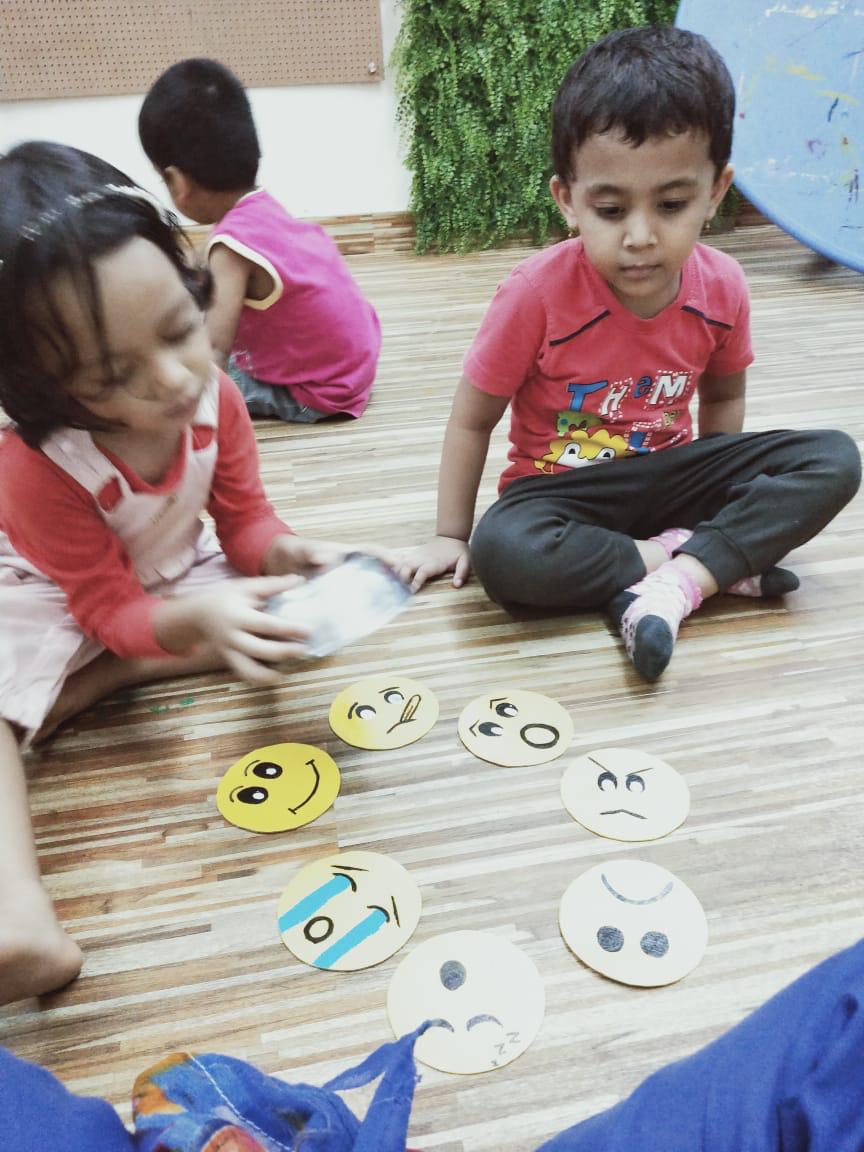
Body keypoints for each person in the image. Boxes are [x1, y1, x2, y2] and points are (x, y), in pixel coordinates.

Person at [0, 141, 357, 1004]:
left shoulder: (215, 397)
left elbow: (245, 524)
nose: (171, 379)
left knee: (294, 617)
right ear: (47, 390)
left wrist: (288, 555)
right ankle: (19, 915)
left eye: (178, 330)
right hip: (49, 591)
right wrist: (192, 622)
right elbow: (103, 608)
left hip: (168, 572)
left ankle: (98, 682)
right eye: (114, 375)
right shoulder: (34, 466)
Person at [404, 25, 861, 681]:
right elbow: (472, 420)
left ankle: (676, 572)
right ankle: (698, 565)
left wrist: (717, 491)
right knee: (503, 554)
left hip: (670, 478)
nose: (641, 236)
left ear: (715, 191)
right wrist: (451, 535)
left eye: (671, 204)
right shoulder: (534, 295)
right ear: (568, 201)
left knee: (834, 458)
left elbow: (724, 396)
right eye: (612, 209)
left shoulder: (724, 287)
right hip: (563, 496)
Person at [138, 57, 381, 424]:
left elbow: (215, 351)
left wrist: (191, 421)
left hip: (321, 394)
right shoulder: (261, 208)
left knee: (202, 368)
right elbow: (207, 273)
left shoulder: (230, 248)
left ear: (178, 183)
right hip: (356, 367)